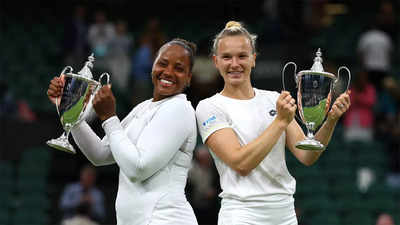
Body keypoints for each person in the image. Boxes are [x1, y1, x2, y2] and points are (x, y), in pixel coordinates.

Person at [195, 21, 351, 225]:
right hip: (242, 215)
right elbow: (241, 163)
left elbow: (307, 155)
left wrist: (331, 119)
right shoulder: (209, 107)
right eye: (226, 57)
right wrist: (279, 122)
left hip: (284, 213)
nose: (234, 64)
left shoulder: (273, 99)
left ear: (254, 59)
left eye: (242, 56)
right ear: (216, 61)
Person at [48, 38, 198, 225]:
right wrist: (70, 110)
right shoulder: (144, 108)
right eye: (163, 63)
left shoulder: (180, 109)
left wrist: (109, 118)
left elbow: (138, 168)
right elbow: (100, 155)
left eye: (179, 68)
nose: (168, 72)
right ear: (153, 66)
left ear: (189, 77)